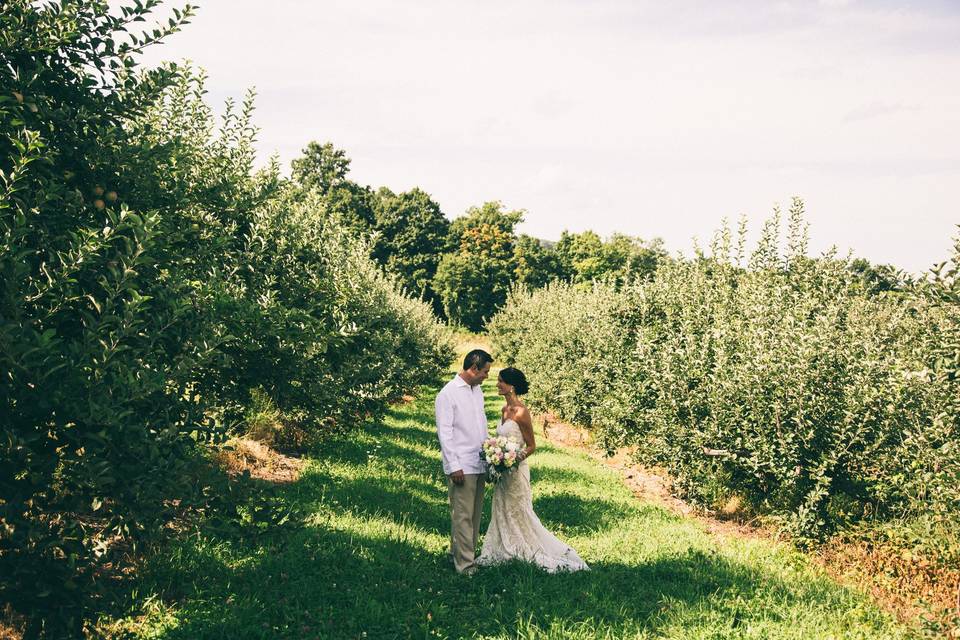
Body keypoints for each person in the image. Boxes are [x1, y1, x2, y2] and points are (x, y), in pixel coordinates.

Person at [476, 367, 589, 572]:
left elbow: (531, 446)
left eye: (501, 381)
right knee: (501, 508)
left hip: (516, 471)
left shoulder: (521, 412)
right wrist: (496, 458)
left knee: (519, 510)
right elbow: (502, 440)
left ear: (511, 385)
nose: (497, 384)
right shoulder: (504, 410)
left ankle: (523, 548)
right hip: (503, 473)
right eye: (498, 381)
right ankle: (501, 548)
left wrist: (511, 460)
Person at [435, 349, 493, 575]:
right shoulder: (448, 394)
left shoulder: (476, 391)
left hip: (478, 462)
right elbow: (445, 433)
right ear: (474, 368)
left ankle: (458, 554)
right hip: (462, 465)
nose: (487, 376)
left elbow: (481, 425)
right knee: (462, 515)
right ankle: (466, 565)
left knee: (474, 514)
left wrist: (489, 458)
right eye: (485, 371)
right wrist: (453, 466)